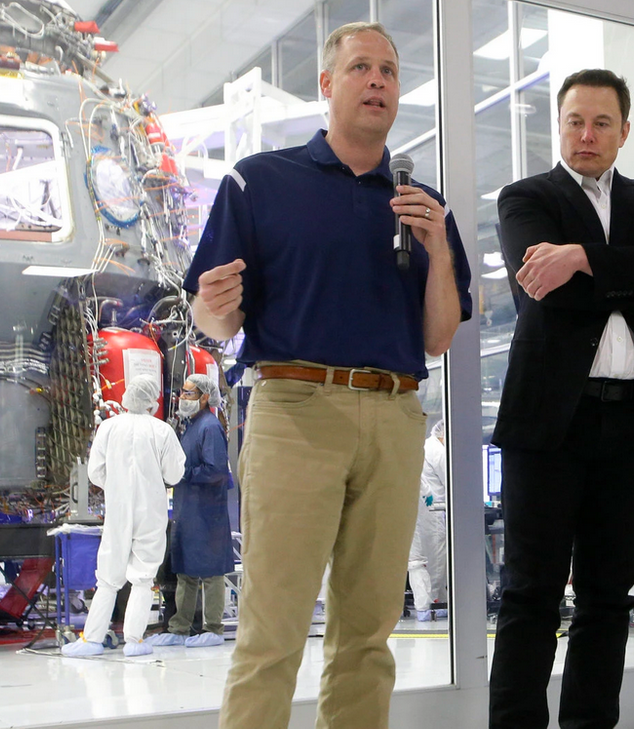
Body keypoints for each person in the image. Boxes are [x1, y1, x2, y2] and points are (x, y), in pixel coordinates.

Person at [182, 21, 472, 729]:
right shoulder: (261, 180)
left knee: (368, 636)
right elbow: (213, 316)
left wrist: (437, 247)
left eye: (390, 71)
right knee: (273, 630)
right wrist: (213, 311)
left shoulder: (423, 207)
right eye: (361, 68)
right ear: (326, 84)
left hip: (396, 415)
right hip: (294, 408)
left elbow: (439, 335)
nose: (378, 81)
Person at [487, 68, 634, 729]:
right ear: (560, 126)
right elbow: (546, 287)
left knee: (609, 596)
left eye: (602, 122)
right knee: (531, 593)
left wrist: (579, 255)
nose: (586, 134)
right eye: (575, 121)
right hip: (550, 419)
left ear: (624, 131)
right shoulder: (525, 197)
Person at [63, 375, 186, 658]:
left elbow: (95, 472)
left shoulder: (108, 427)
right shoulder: (162, 430)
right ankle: (134, 640)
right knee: (143, 576)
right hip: (151, 510)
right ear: (152, 400)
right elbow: (175, 474)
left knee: (108, 574)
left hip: (117, 508)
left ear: (127, 395)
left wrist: (117, 486)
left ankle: (92, 639)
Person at [146, 374, 233, 648]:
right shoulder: (190, 426)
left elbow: (216, 470)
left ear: (205, 398)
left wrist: (182, 474)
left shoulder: (209, 427)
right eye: (182, 393)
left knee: (210, 572)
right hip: (187, 511)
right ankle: (180, 627)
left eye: (189, 394)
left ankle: (213, 628)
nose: (183, 398)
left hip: (208, 513)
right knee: (185, 572)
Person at [407, 419, 448, 622]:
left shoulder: (423, 447)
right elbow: (451, 478)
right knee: (436, 559)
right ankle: (436, 603)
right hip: (431, 512)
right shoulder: (437, 450)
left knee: (416, 561)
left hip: (414, 511)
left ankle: (423, 606)